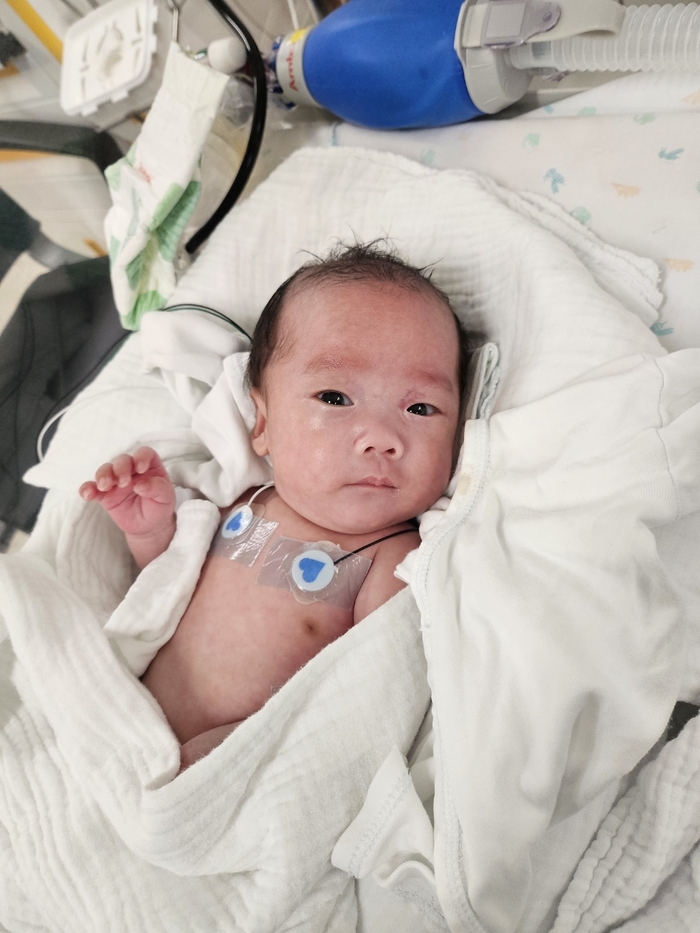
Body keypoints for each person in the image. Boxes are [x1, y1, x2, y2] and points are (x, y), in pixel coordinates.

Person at [80, 243, 476, 771]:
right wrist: (150, 531)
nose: (381, 438)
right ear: (262, 423)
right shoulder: (244, 502)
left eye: (421, 407)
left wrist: (240, 752)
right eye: (335, 398)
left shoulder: (390, 560)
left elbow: (366, 702)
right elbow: (165, 594)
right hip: (120, 730)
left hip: (231, 768)